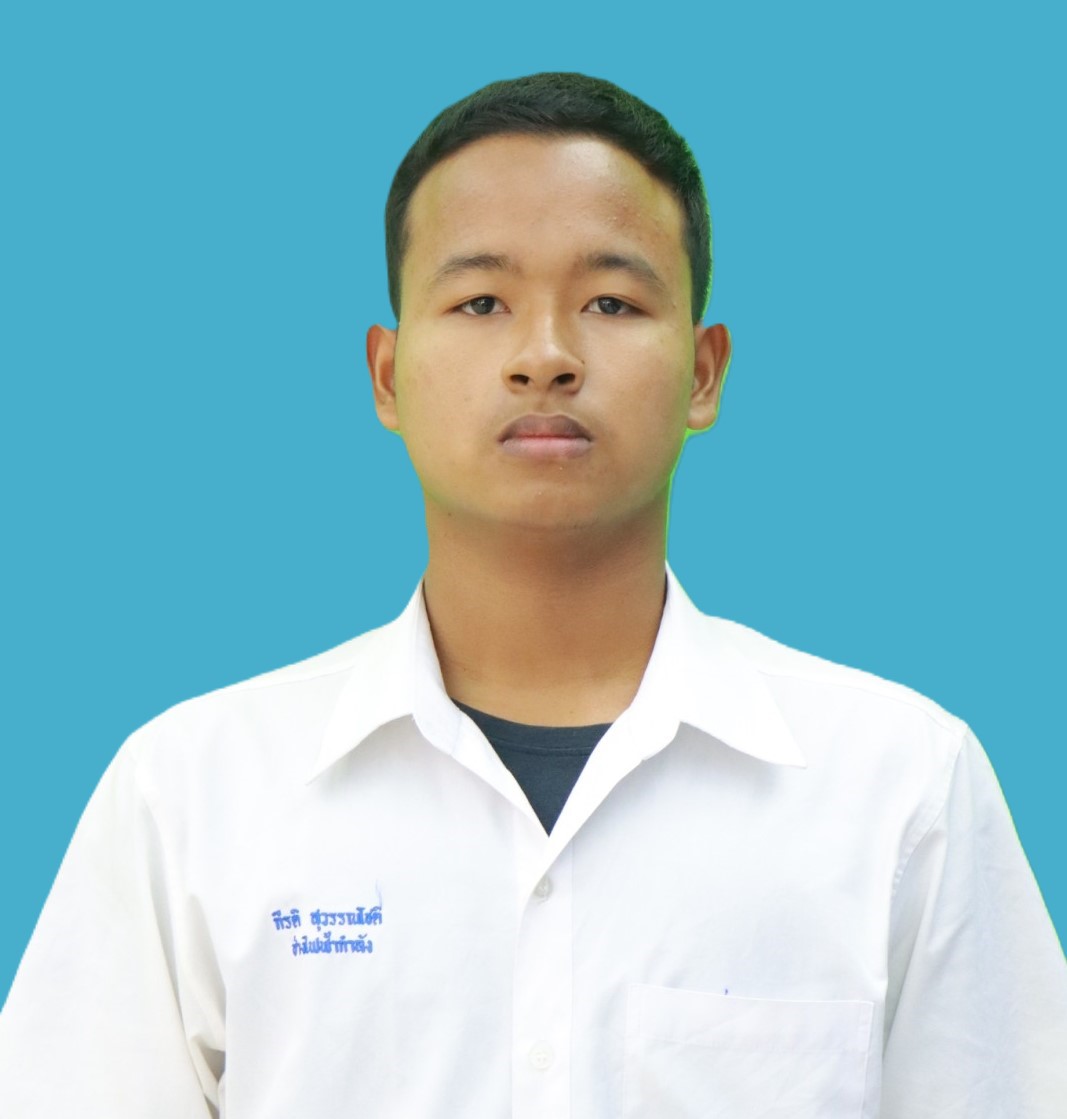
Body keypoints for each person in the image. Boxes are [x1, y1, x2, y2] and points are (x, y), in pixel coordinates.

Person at [1, 71, 1064, 1118]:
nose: (544, 356)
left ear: (703, 372)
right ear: (386, 375)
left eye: (609, 301)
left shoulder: (897, 786)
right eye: (480, 302)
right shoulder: (194, 793)